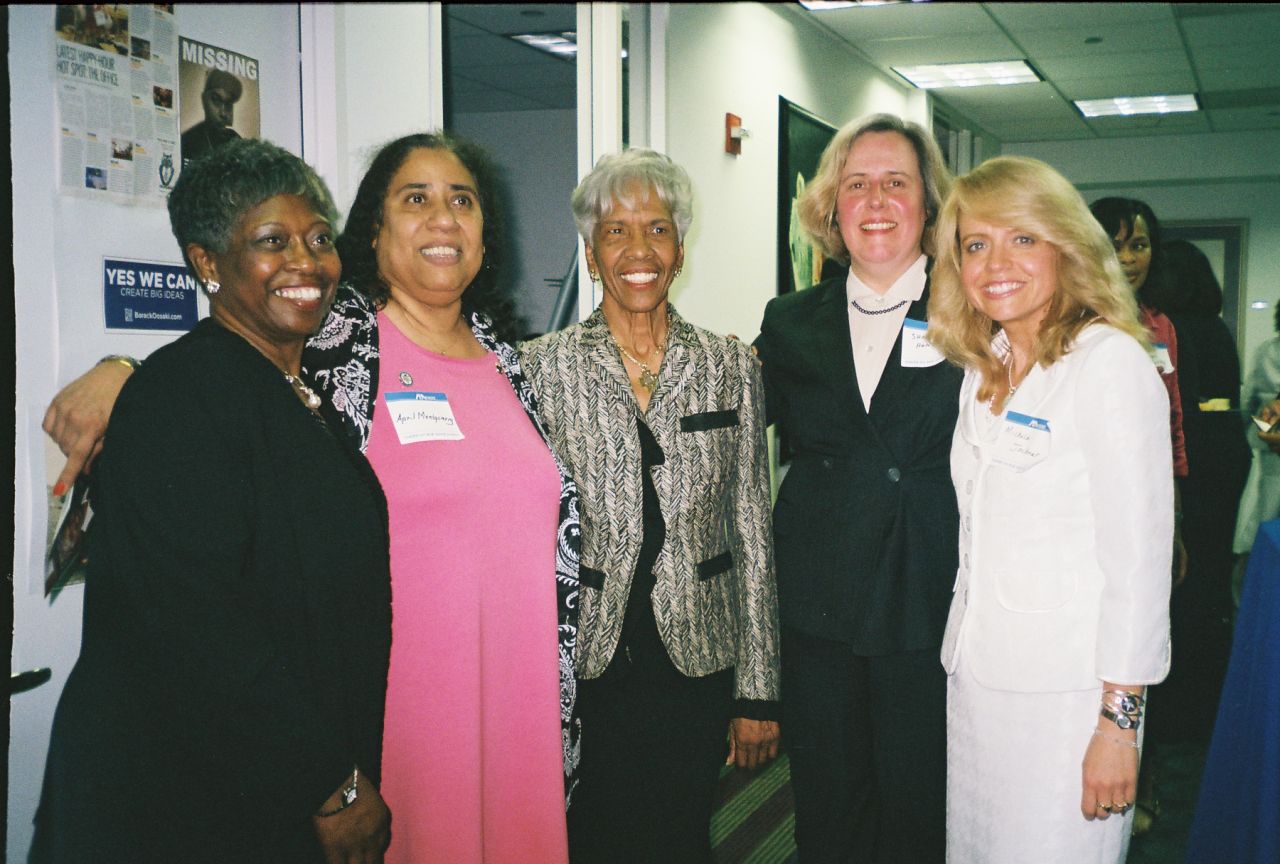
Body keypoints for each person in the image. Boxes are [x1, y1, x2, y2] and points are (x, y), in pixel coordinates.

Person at [40, 132, 581, 864]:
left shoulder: (511, 361)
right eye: (415, 198)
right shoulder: (341, 340)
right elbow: (196, 614)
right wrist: (125, 370)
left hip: (501, 706)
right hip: (350, 732)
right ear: (376, 233)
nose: (444, 218)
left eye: (462, 199)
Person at [31, 139, 393, 863]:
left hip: (260, 779)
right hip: (183, 801)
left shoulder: (292, 391)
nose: (307, 261)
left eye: (319, 238)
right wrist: (332, 785)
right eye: (272, 242)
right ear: (207, 264)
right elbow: (197, 630)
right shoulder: (180, 399)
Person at [519, 148, 781, 863]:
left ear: (681, 247)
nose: (639, 250)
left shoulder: (728, 365)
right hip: (585, 658)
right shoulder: (540, 368)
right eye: (616, 231)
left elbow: (753, 529)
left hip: (696, 660)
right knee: (593, 835)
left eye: (657, 229)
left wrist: (757, 693)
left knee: (680, 834)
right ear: (591, 251)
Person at [927, 155, 1173, 863]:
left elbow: (1139, 568)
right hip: (979, 677)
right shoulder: (985, 367)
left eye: (1023, 238)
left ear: (1065, 245)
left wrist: (1118, 728)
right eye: (976, 244)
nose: (995, 262)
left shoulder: (1111, 366)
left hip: (1069, 700)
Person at [753, 113, 957, 863]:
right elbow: (728, 428)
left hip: (926, 598)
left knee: (917, 809)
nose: (876, 200)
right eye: (857, 185)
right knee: (829, 810)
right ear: (832, 209)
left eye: (896, 183)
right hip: (820, 606)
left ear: (928, 204)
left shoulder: (973, 308)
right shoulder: (789, 320)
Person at [1148, 237, 1250, 741]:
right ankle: (1205, 710)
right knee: (1207, 588)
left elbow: (1174, 415)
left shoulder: (1171, 331)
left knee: (1178, 592)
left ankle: (1177, 713)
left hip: (1191, 470)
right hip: (1224, 463)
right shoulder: (1215, 329)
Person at [1089, 198, 1189, 583]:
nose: (1128, 259)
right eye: (1114, 246)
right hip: (1084, 495)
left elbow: (1172, 426)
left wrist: (1175, 522)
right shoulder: (1068, 318)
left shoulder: (1159, 326)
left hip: (1145, 494)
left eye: (1139, 246)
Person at [1233, 303, 1280, 602]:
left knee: (1260, 532)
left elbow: (1249, 403)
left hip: (1271, 456)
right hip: (1270, 452)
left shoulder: (1268, 351)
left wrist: (1265, 428)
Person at [181, 68, 243, 166]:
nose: (223, 113)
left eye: (228, 103)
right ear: (204, 100)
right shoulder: (187, 142)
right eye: (216, 100)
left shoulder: (238, 143)